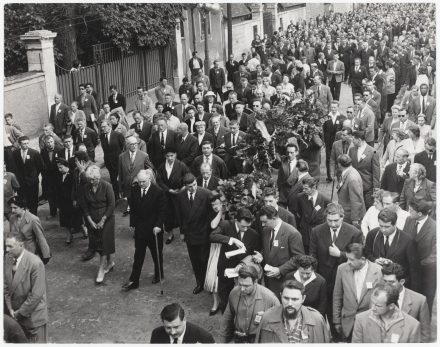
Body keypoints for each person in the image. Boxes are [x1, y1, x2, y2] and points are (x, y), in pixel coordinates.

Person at [309, 203, 363, 339]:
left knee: (342, 312)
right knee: (327, 311)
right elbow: (313, 255)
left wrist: (341, 254)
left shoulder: (354, 232)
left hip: (345, 280)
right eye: (329, 220)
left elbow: (359, 257)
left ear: (343, 217)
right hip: (324, 280)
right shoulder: (316, 231)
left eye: (336, 220)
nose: (332, 224)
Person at [210, 208, 261, 313]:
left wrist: (258, 256)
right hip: (226, 268)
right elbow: (212, 236)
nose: (246, 229)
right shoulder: (226, 225)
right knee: (224, 294)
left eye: (248, 226)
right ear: (236, 221)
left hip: (243, 271)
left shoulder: (254, 234)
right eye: (243, 226)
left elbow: (255, 252)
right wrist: (231, 240)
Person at [123, 170, 166, 291]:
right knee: (138, 256)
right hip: (141, 229)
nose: (141, 184)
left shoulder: (158, 192)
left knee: (156, 255)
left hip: (154, 231)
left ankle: (159, 274)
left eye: (143, 182)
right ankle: (134, 280)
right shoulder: (135, 189)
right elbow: (133, 208)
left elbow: (162, 211)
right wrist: (133, 223)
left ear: (149, 179)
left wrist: (158, 225)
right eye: (139, 182)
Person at [333, 243, 383, 342]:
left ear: (363, 259)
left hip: (369, 322)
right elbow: (337, 296)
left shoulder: (378, 271)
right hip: (347, 323)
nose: (348, 262)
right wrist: (336, 321)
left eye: (351, 259)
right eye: (347, 258)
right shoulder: (342, 269)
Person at [4, 232, 48, 342]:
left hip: (32, 317)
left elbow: (36, 295)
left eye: (10, 246)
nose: (7, 249)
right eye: (6, 246)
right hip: (14, 314)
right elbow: (5, 285)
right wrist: (10, 308)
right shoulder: (8, 258)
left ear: (21, 245)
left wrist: (19, 313)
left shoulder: (35, 263)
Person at [256, 280, 330, 343]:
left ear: (303, 299)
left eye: (294, 299)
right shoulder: (267, 318)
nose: (290, 303)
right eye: (286, 298)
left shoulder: (317, 320)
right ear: (281, 295)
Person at [364, 208, 419, 291]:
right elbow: (367, 254)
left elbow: (413, 269)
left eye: (387, 227)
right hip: (377, 282)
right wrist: (375, 260)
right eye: (381, 226)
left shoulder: (408, 241)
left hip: (396, 285)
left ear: (395, 224)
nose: (383, 230)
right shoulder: (372, 234)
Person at [220, 266, 279, 343]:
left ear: (255, 282)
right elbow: (227, 317)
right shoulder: (234, 293)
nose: (242, 289)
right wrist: (223, 340)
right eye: (240, 284)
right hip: (239, 338)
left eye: (246, 286)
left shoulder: (270, 298)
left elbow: (279, 324)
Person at [175, 173, 213, 294]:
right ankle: (200, 283)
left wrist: (209, 231)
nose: (193, 188)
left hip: (203, 233)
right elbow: (180, 215)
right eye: (190, 186)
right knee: (194, 260)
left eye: (195, 184)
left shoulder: (206, 193)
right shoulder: (180, 196)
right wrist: (182, 232)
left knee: (204, 259)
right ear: (185, 186)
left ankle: (208, 283)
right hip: (189, 234)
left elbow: (212, 213)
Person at [78, 165, 116, 284]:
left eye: (96, 179)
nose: (93, 181)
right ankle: (110, 263)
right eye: (91, 179)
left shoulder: (107, 186)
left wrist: (103, 220)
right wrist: (90, 221)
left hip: (107, 218)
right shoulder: (86, 187)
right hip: (92, 220)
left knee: (104, 243)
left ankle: (101, 268)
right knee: (97, 242)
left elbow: (112, 205)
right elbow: (84, 206)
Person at [256, 205, 304, 298]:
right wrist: (261, 256)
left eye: (265, 222)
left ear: (274, 218)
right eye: (261, 222)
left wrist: (280, 270)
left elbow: (298, 258)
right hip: (269, 279)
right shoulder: (266, 230)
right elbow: (268, 249)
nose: (262, 224)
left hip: (284, 280)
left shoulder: (292, 233)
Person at [351, 282, 421, 343]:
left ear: (391, 306)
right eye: (372, 303)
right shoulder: (360, 319)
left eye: (378, 305)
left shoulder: (412, 326)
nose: (373, 308)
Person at [381, 262, 431, 342]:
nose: (386, 286)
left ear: (402, 282)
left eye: (391, 282)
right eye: (385, 281)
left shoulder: (419, 300)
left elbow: (425, 334)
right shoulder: (378, 297)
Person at [404, 200, 437, 316]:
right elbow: (404, 240)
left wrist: (418, 264)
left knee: (425, 301)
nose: (409, 212)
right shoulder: (409, 220)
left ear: (419, 214)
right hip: (409, 271)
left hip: (426, 272)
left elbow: (435, 255)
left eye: (411, 210)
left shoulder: (435, 228)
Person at [156, 147, 191, 245]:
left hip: (179, 194)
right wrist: (168, 190)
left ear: (175, 155)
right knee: (168, 216)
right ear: (165, 156)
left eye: (172, 155)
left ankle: (184, 233)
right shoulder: (162, 166)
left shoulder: (181, 165)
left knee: (182, 214)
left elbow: (188, 177)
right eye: (168, 156)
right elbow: (159, 180)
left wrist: (183, 187)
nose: (170, 158)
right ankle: (170, 234)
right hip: (167, 195)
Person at [292, 177, 330, 254]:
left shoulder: (325, 199)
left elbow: (328, 216)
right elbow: (298, 213)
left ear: (314, 187)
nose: (304, 191)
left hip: (319, 232)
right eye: (303, 188)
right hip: (305, 231)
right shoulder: (300, 197)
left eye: (306, 189)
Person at [8, 196, 51, 263]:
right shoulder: (12, 218)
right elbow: (11, 235)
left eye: (15, 208)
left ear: (22, 207)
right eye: (11, 208)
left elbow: (41, 238)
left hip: (30, 253)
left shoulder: (33, 219)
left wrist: (46, 255)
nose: (12, 210)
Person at [118, 136, 154, 216]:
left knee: (141, 208)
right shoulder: (121, 157)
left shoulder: (144, 155)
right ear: (127, 145)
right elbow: (120, 174)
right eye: (131, 144)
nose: (134, 146)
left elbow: (150, 169)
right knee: (132, 207)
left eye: (135, 144)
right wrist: (120, 188)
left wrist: (145, 178)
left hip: (140, 186)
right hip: (128, 187)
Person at [204, 194, 225, 315]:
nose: (215, 207)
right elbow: (213, 225)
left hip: (229, 246)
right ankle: (215, 303)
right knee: (214, 274)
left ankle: (225, 302)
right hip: (216, 248)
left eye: (217, 204)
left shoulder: (230, 212)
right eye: (213, 205)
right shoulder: (212, 215)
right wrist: (220, 212)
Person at [150, 303, 215, 343]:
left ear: (184, 320)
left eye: (176, 327)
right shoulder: (156, 334)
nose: (173, 332)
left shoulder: (204, 338)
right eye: (168, 328)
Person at [12, 136, 44, 216]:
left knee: (33, 201)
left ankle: (34, 217)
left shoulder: (34, 153)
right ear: (19, 144)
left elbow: (41, 166)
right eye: (23, 144)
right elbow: (14, 167)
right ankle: (26, 217)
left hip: (32, 182)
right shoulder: (15, 153)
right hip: (21, 182)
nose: (26, 145)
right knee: (23, 200)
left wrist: (34, 175)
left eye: (27, 143)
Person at [336, 154, 366, 225]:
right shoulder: (348, 172)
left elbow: (356, 200)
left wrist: (355, 219)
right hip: (346, 212)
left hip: (350, 216)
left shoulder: (352, 178)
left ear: (339, 164)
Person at [99, 120, 125, 199]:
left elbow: (123, 149)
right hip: (109, 163)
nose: (102, 129)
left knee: (121, 179)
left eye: (104, 127)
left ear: (109, 126)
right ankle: (116, 196)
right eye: (101, 127)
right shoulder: (102, 136)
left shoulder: (118, 135)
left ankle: (123, 194)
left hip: (118, 162)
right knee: (113, 179)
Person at [323, 101, 346, 182]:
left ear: (338, 107)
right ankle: (329, 176)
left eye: (334, 107)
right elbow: (323, 130)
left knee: (339, 158)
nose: (333, 109)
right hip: (328, 142)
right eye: (331, 107)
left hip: (338, 142)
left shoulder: (342, 117)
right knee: (329, 158)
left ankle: (340, 175)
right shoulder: (326, 117)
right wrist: (324, 141)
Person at [271, 142, 299, 208]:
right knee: (281, 214)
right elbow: (274, 156)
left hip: (294, 195)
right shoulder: (282, 160)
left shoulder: (300, 164)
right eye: (288, 152)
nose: (289, 155)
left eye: (291, 153)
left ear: (296, 152)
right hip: (282, 195)